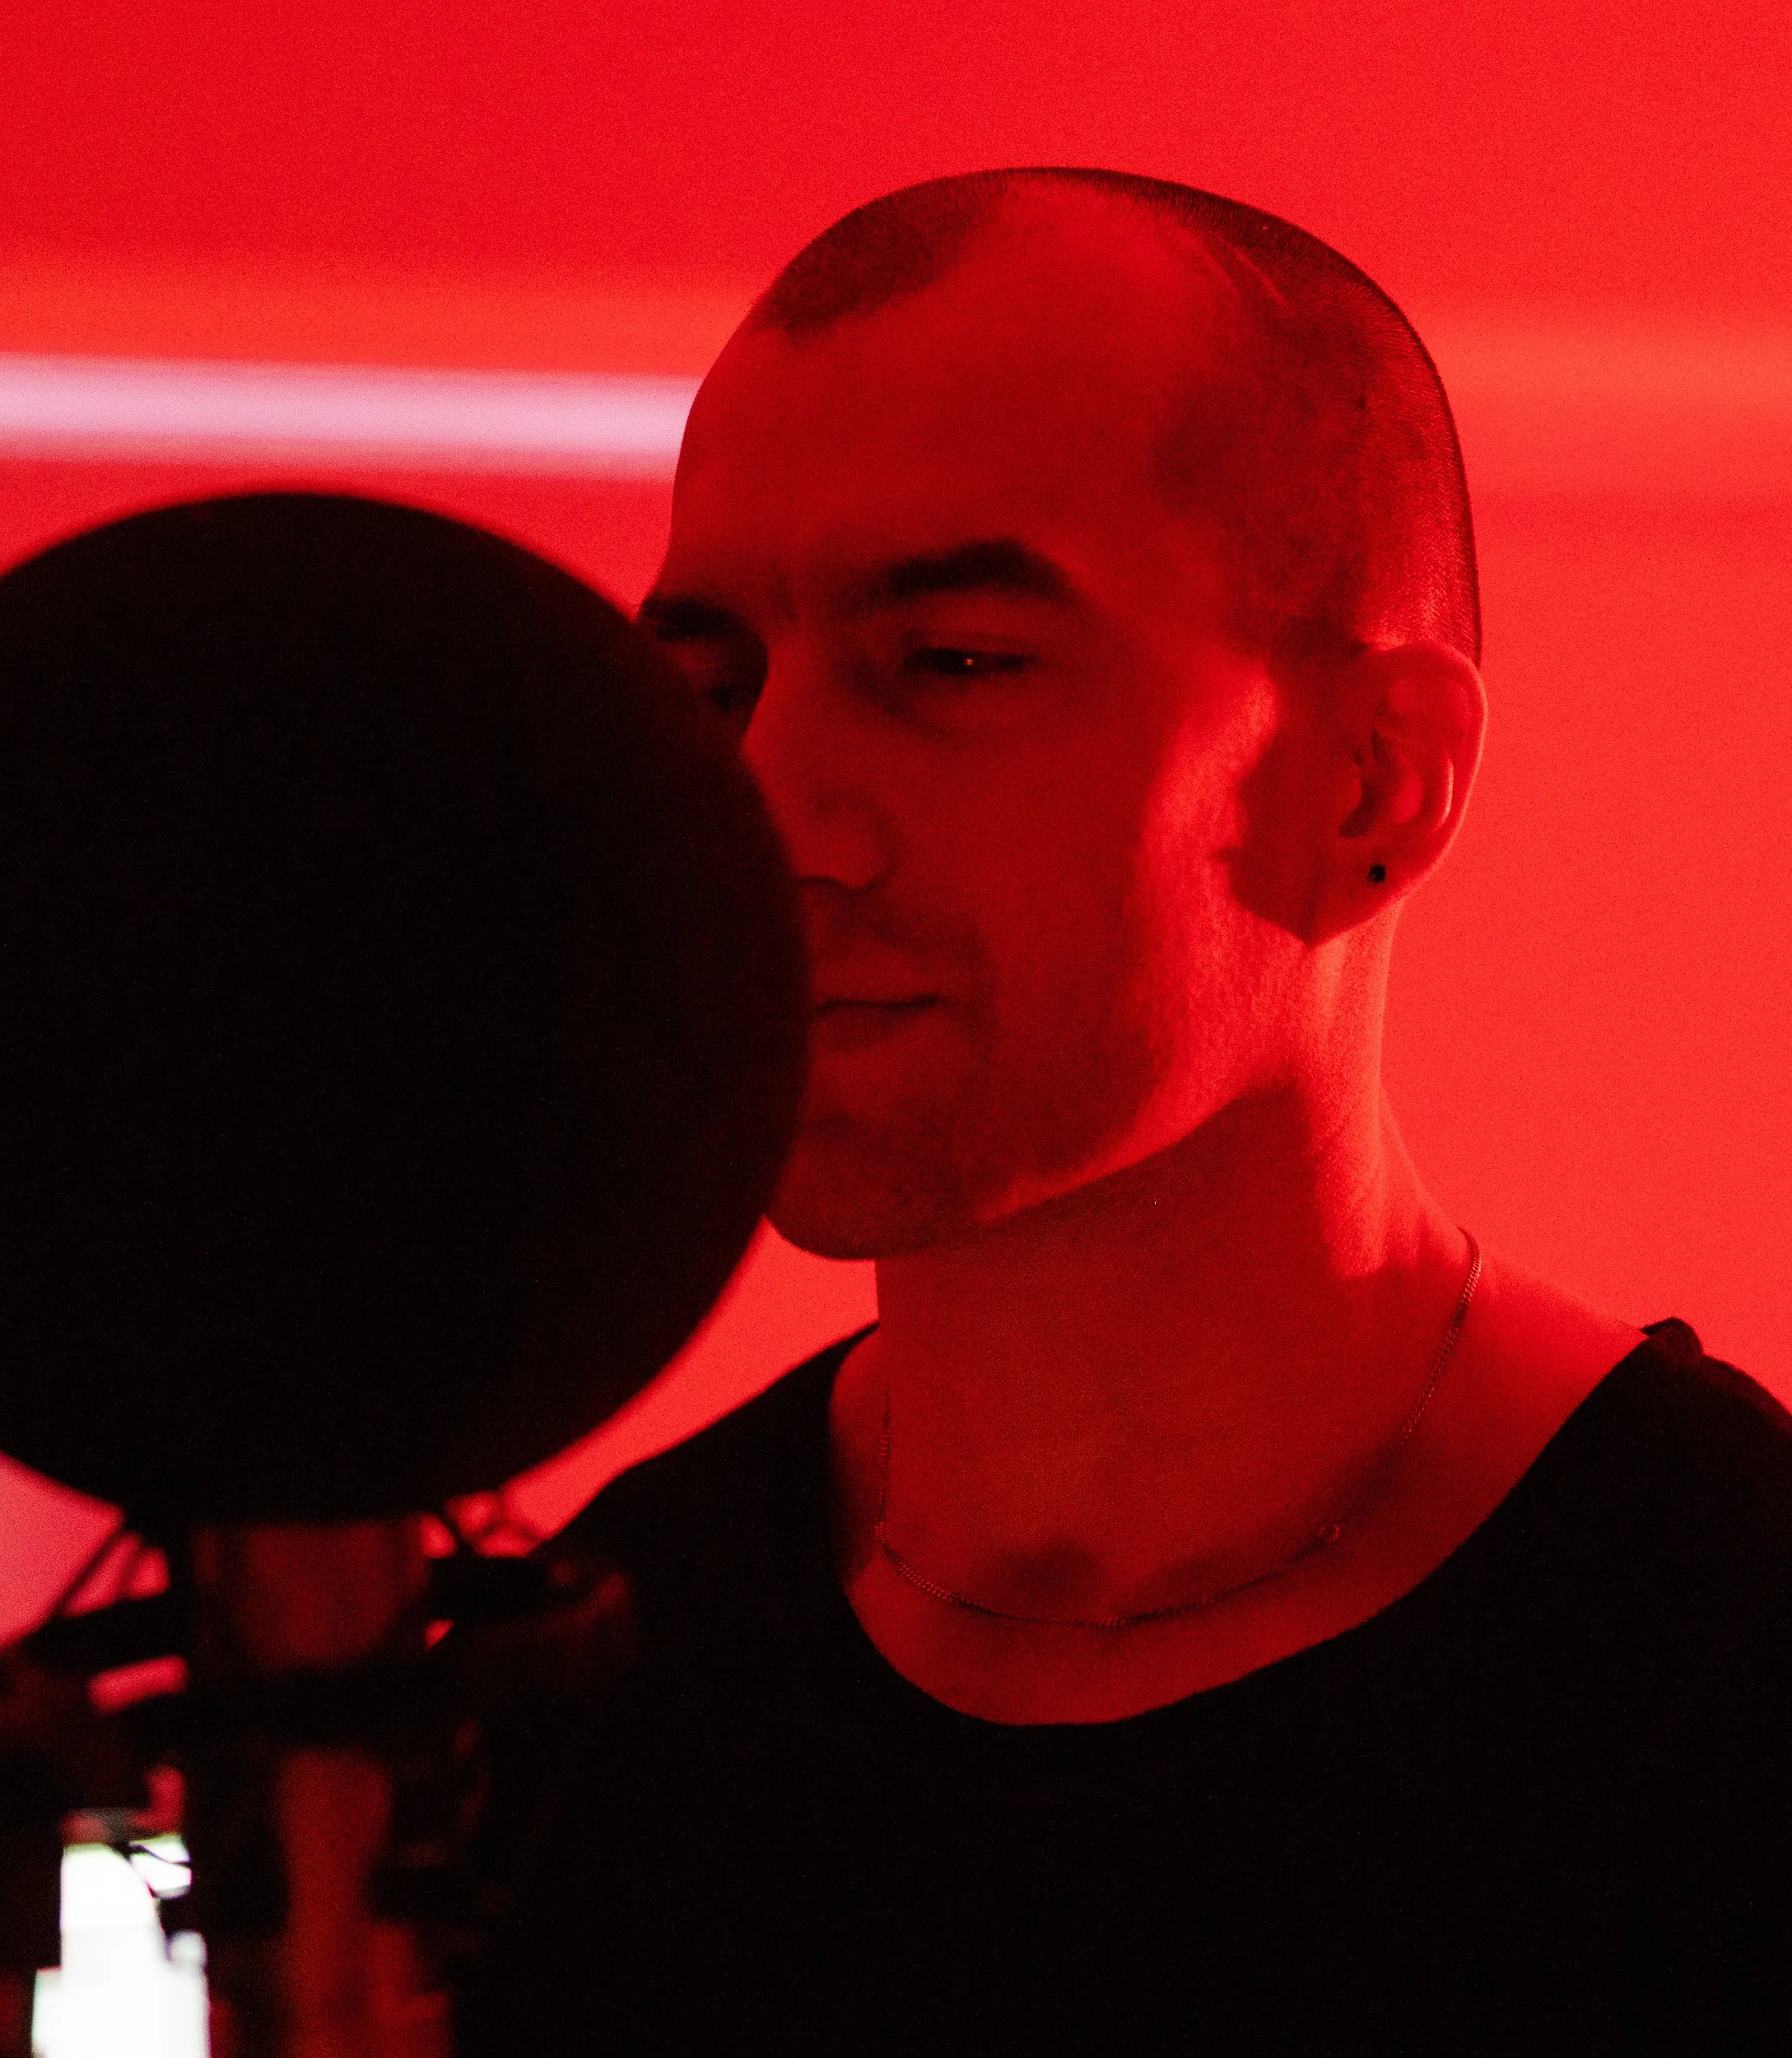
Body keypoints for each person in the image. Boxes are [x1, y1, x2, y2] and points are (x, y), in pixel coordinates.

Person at [464, 170, 1792, 2055]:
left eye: (952, 662)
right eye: (709, 684)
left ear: (1371, 779)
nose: (768, 813)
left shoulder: (1720, 1659)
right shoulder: (589, 1673)